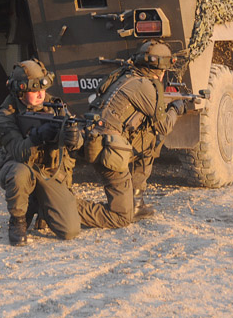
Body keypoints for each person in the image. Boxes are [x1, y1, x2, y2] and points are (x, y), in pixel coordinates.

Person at [77, 40, 186, 229]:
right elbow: (164, 126)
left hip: (95, 140)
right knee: (121, 217)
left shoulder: (125, 76)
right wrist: (176, 108)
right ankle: (61, 208)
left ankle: (136, 200)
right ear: (161, 70)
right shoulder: (145, 87)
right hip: (109, 151)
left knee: (148, 135)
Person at [0, 59, 84, 246]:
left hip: (48, 171)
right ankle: (18, 221)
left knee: (70, 230)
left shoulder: (54, 105)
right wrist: (36, 137)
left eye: (43, 89)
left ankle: (41, 206)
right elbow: (18, 152)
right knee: (19, 173)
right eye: (35, 91)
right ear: (21, 92)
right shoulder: (6, 114)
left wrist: (74, 138)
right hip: (20, 165)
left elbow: (74, 138)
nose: (41, 95)